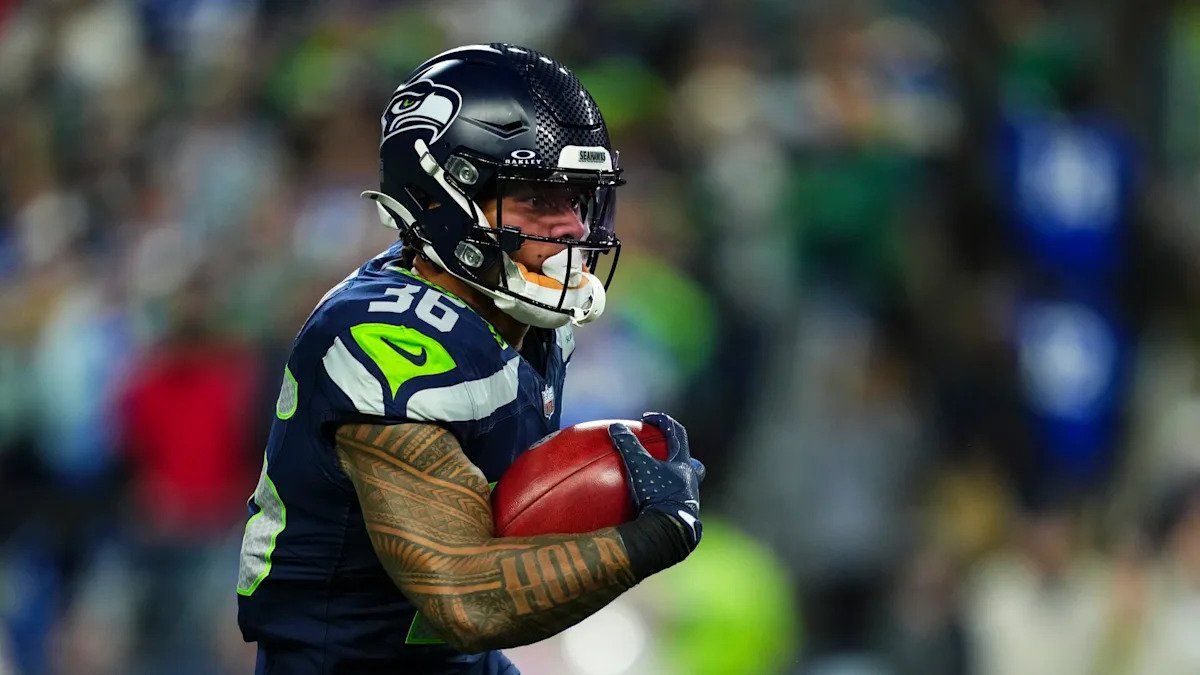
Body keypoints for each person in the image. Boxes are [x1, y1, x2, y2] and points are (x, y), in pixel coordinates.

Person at [235, 43, 705, 674]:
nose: (571, 228)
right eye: (537, 198)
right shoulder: (388, 337)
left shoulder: (519, 313)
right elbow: (464, 597)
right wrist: (649, 538)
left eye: (577, 199)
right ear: (439, 197)